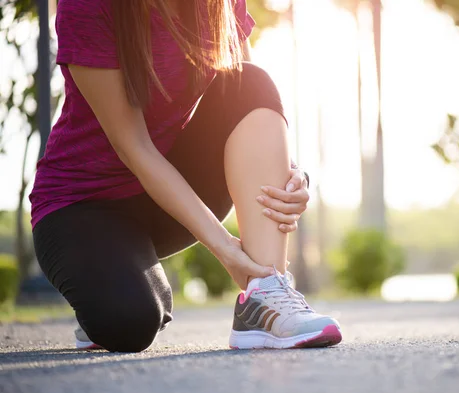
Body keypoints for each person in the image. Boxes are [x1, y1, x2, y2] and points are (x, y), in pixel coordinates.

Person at [30, 0, 342, 352]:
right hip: (80, 207)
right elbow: (133, 147)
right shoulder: (88, 5)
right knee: (129, 322)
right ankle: (107, 291)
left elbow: (250, 101)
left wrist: (293, 174)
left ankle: (266, 295)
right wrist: (227, 251)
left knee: (246, 79)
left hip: (165, 198)